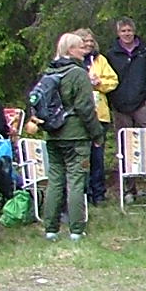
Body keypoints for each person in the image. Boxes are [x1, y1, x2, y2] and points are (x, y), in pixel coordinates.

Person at [37, 33, 104, 242]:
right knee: (76, 181)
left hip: (53, 134)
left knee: (55, 180)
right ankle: (76, 229)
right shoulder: (78, 73)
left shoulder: (49, 72)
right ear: (70, 50)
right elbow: (85, 108)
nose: (84, 51)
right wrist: (97, 133)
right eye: (80, 47)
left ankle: (51, 229)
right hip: (76, 135)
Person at [76, 28, 118, 204]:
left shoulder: (100, 60)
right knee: (80, 155)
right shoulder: (73, 61)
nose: (88, 44)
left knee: (97, 155)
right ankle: (81, 192)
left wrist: (99, 83)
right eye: (84, 41)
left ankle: (98, 193)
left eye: (91, 41)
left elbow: (113, 81)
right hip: (78, 115)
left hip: (99, 114)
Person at [106, 18, 146, 130]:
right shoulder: (112, 54)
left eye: (129, 30)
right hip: (120, 105)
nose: (127, 34)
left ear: (134, 31)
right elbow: (108, 78)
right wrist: (113, 101)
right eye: (123, 31)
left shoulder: (145, 52)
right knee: (124, 137)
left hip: (141, 103)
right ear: (118, 33)